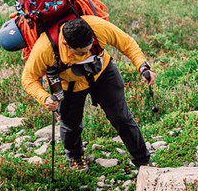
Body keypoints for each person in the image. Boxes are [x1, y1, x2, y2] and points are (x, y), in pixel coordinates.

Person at [20, 13, 154, 170]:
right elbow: (28, 79)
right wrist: (45, 98)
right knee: (71, 125)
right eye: (81, 53)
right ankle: (75, 157)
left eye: (89, 50)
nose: (86, 55)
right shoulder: (45, 48)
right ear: (65, 42)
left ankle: (143, 160)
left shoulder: (98, 27)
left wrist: (142, 66)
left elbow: (127, 43)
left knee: (122, 118)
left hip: (102, 73)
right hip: (68, 85)